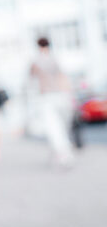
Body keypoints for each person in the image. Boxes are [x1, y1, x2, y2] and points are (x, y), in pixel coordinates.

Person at [29, 36, 75, 167]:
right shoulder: (54, 58)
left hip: (46, 97)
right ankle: (62, 151)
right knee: (60, 125)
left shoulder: (36, 61)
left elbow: (32, 77)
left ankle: (62, 153)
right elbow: (62, 76)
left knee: (53, 127)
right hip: (60, 95)